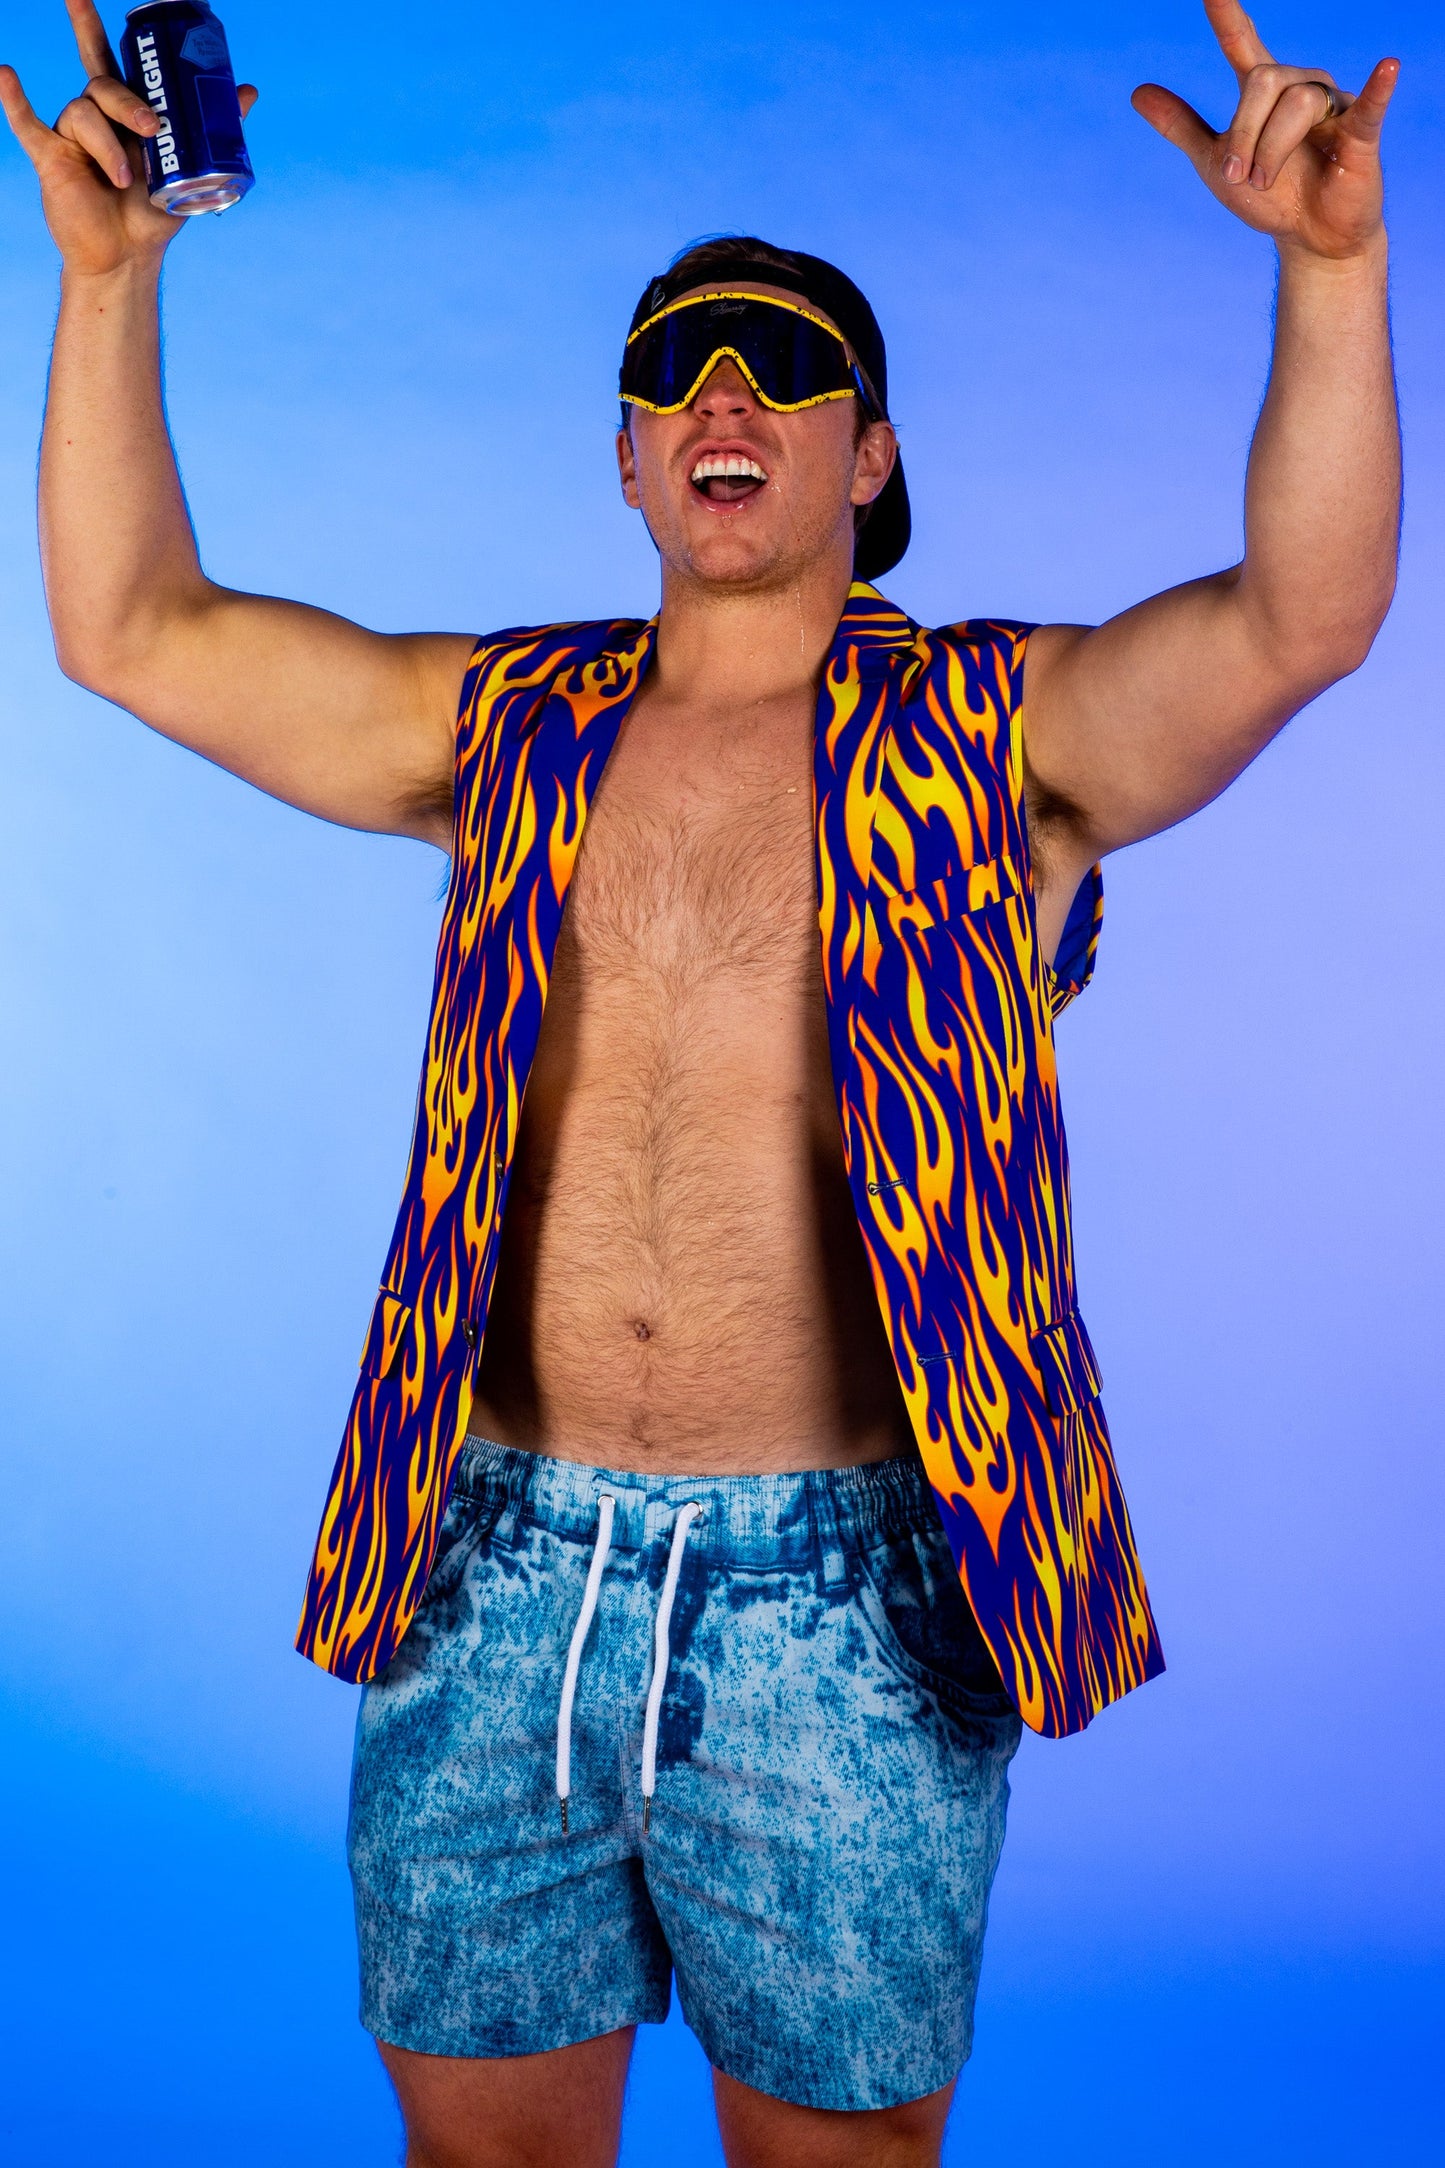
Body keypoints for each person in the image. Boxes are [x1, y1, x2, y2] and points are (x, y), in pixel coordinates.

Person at [2, 0, 1400, 2161]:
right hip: (489, 1566)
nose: (722, 394)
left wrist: (1328, 277)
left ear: (872, 457)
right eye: (673, 368)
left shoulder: (1008, 734)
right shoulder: (504, 726)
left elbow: (1301, 619)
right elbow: (131, 632)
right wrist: (109, 286)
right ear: (632, 460)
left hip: (842, 1604)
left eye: (781, 364)